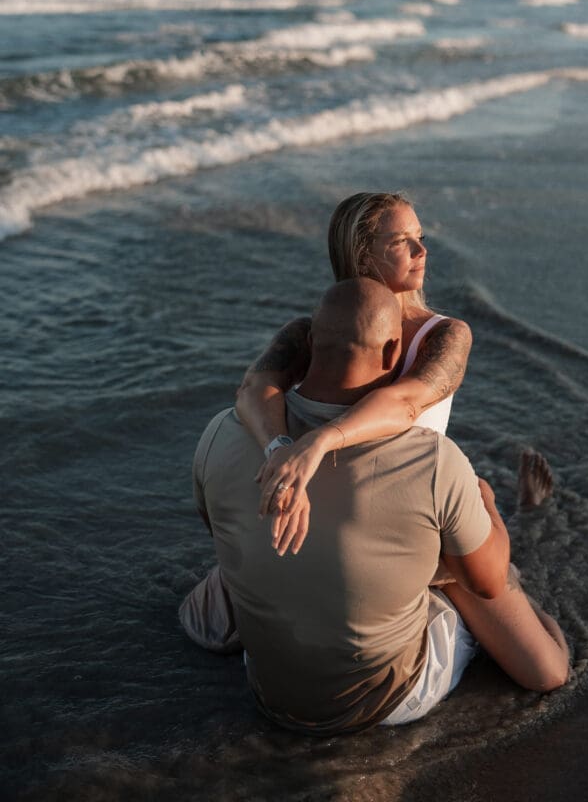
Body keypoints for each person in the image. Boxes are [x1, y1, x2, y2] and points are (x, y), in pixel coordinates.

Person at [183, 279, 568, 734]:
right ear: (391, 355)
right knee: (472, 574)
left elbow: (217, 532)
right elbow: (486, 582)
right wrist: (486, 503)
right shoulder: (433, 461)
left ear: (310, 344)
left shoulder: (221, 434)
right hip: (383, 698)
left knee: (267, 546)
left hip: (269, 687)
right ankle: (519, 524)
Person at [237, 191, 474, 555]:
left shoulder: (444, 336)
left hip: (415, 499)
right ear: (363, 255)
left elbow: (406, 403)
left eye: (420, 238)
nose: (421, 251)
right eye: (400, 241)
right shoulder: (314, 330)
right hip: (336, 502)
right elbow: (254, 387)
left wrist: (317, 444)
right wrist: (280, 448)